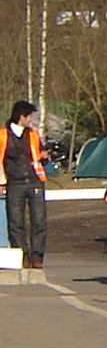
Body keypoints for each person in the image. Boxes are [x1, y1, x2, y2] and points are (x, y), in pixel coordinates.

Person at [0, 101, 49, 269]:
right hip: (14, 183)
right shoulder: (3, 135)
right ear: (22, 117)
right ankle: (22, 255)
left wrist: (45, 157)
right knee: (15, 222)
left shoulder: (33, 135)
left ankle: (37, 256)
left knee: (39, 220)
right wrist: (1, 183)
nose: (32, 120)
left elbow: (39, 156)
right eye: (30, 117)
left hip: (35, 181)